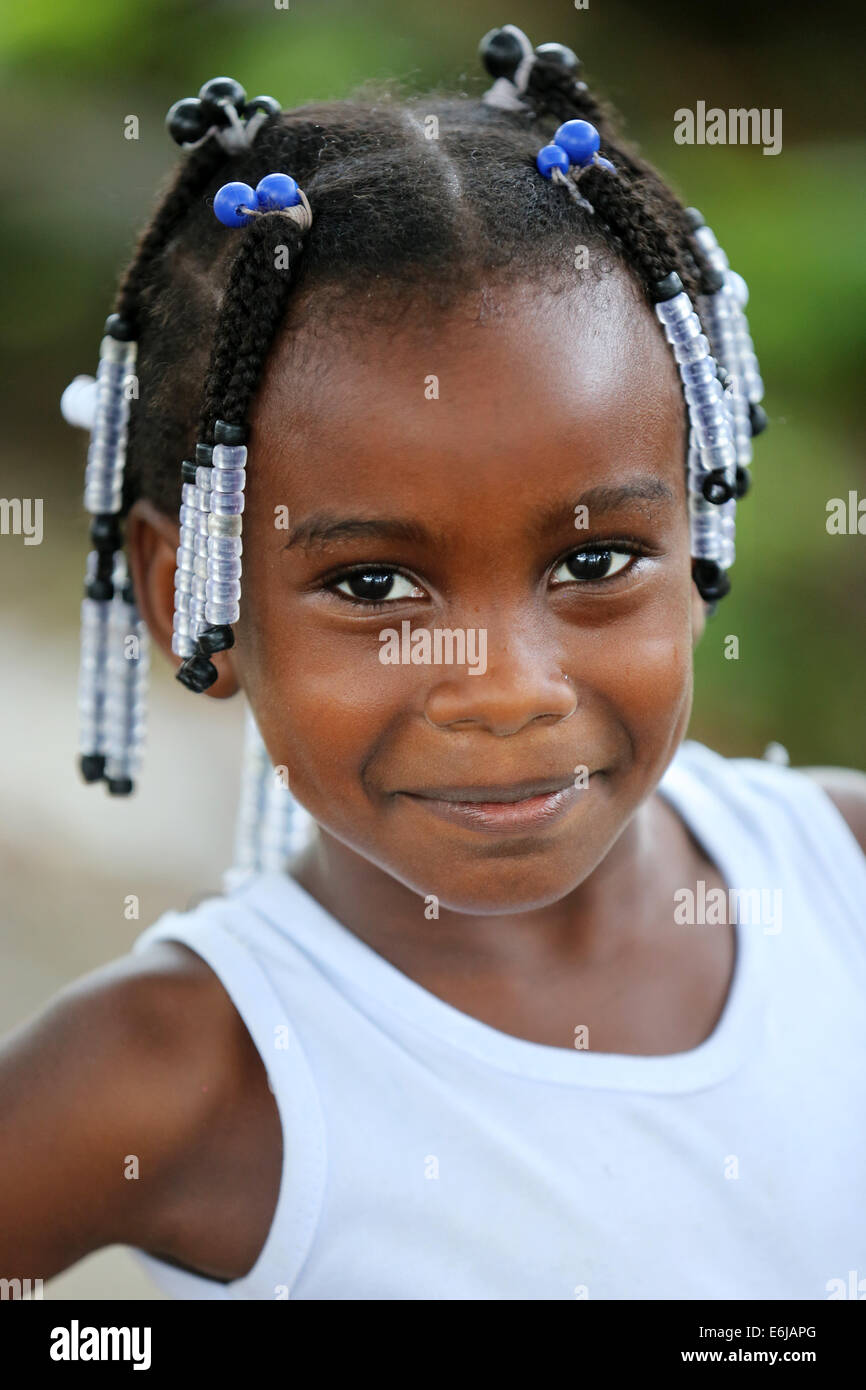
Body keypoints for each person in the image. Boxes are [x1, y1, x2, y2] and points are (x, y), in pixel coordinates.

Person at [2, 24, 865, 1300]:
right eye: (371, 585)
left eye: (592, 562)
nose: (506, 686)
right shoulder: (176, 1076)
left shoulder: (843, 883)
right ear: (196, 600)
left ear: (702, 532)